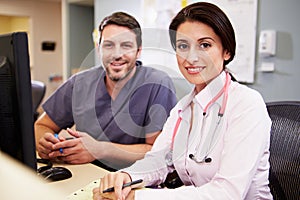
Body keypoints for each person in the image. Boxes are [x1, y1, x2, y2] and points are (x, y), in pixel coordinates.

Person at [93, 2, 273, 200]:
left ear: (227, 51)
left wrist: (138, 198)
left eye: (205, 45)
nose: (191, 57)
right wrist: (127, 177)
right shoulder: (183, 109)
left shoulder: (247, 104)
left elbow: (227, 193)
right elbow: (158, 160)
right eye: (183, 46)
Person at [34, 12, 177, 171]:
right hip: (86, 174)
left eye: (126, 46)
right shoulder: (80, 83)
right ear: (98, 49)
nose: (117, 55)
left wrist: (100, 150)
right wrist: (45, 142)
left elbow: (159, 151)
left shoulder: (157, 84)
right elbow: (42, 125)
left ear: (138, 51)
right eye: (108, 45)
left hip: (134, 179)